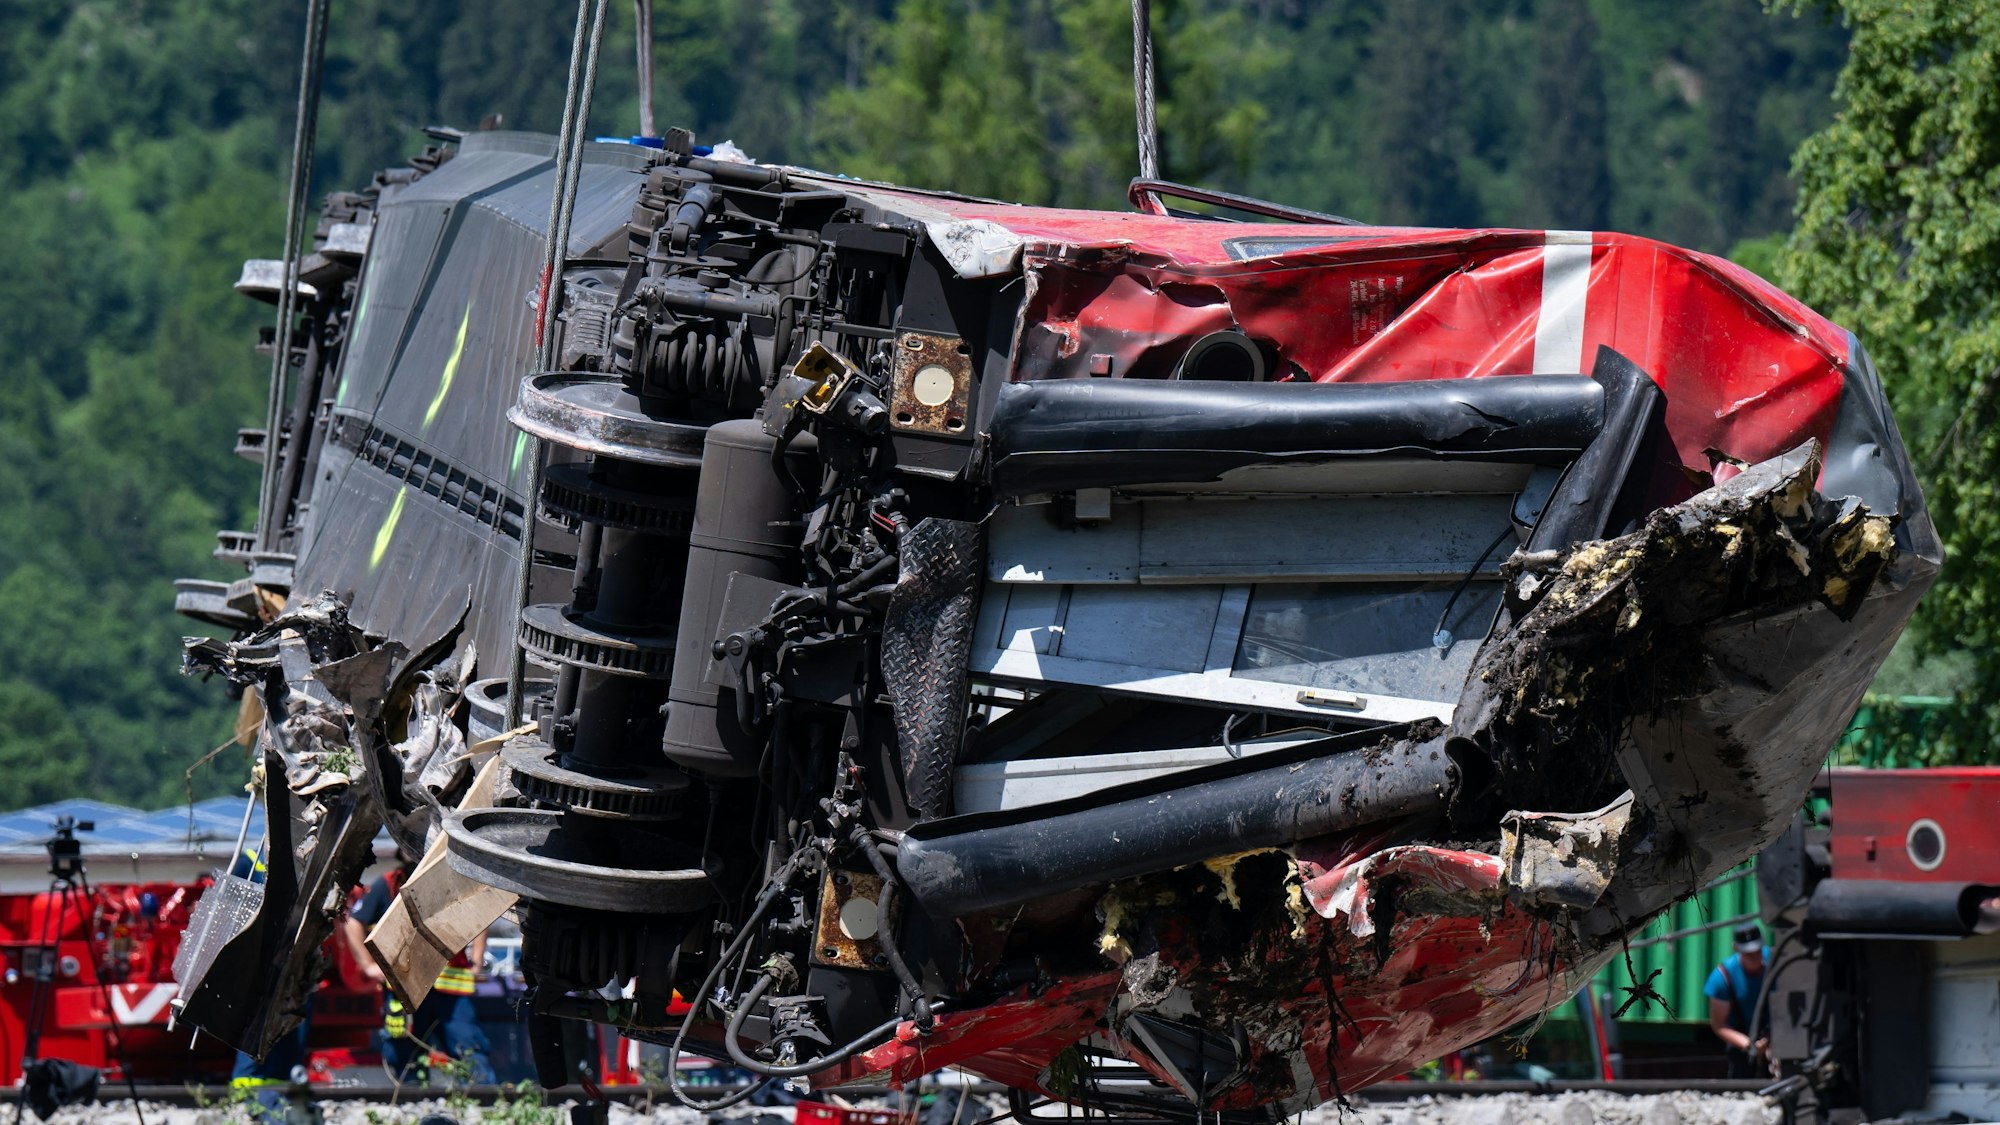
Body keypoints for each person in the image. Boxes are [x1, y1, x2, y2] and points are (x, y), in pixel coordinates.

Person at [340, 861, 494, 1084]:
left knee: (468, 1049)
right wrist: (368, 965)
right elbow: (354, 922)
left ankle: (481, 1106)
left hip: (450, 988)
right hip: (407, 987)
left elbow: (480, 912)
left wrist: (478, 958)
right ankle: (411, 1102)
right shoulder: (389, 884)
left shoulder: (453, 877)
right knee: (405, 1053)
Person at [1705, 921, 1768, 1078]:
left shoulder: (1776, 963)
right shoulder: (1721, 979)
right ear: (1736, 948)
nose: (1755, 957)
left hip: (1775, 1034)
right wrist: (1748, 1044)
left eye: (1757, 951)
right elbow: (1719, 1025)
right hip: (1742, 1040)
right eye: (1748, 953)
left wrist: (1771, 1038)